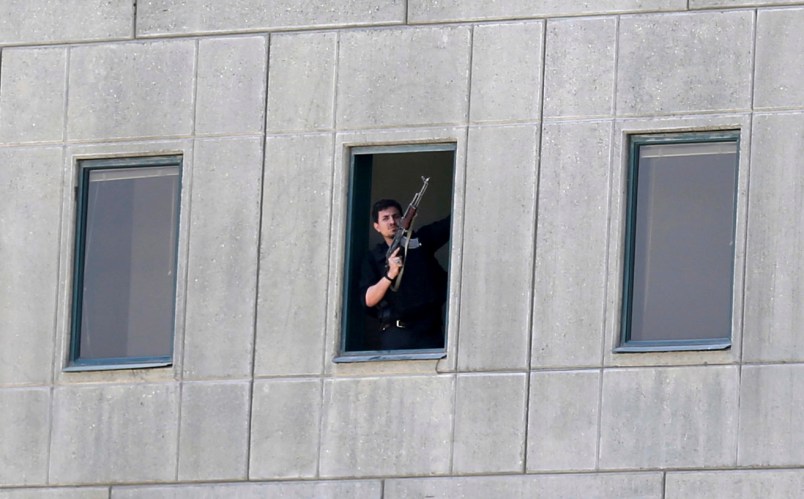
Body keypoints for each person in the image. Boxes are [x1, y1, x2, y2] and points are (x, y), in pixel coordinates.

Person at [359, 199, 450, 350]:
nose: (392, 222)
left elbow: (452, 224)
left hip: (430, 332)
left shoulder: (421, 241)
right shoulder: (373, 258)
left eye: (396, 217)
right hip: (397, 333)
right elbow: (368, 299)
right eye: (385, 218)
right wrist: (390, 275)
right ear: (377, 227)